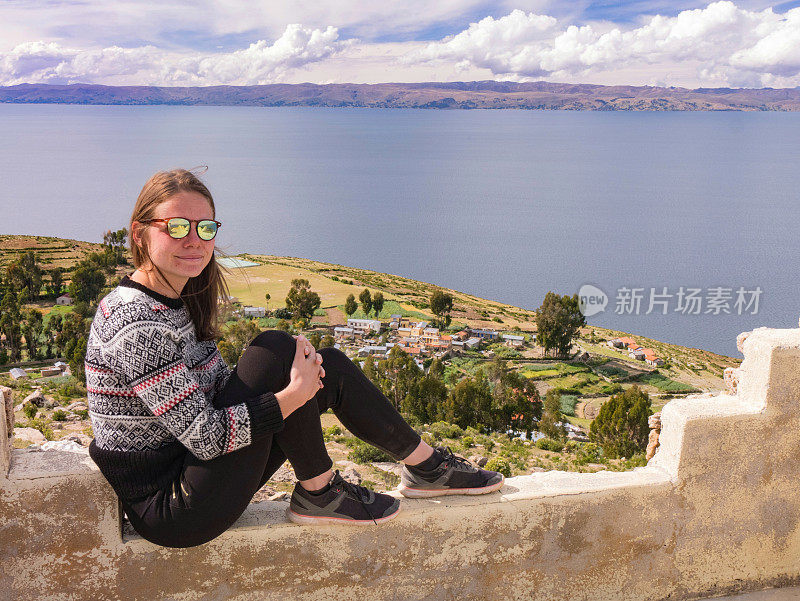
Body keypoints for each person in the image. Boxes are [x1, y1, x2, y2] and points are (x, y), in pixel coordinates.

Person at [85, 168, 504, 548]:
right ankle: (321, 492)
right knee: (276, 351)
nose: (193, 240)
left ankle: (428, 468)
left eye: (204, 227)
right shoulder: (134, 320)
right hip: (174, 508)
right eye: (176, 226)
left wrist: (295, 388)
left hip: (198, 471)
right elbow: (206, 437)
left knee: (329, 366)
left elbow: (213, 399)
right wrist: (292, 396)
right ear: (139, 234)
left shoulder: (177, 300)